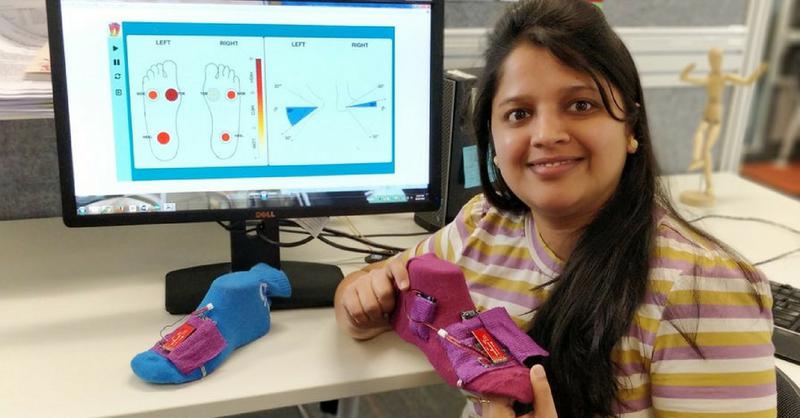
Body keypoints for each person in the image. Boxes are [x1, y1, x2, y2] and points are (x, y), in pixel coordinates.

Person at [334, 0, 776, 417]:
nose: (546, 134)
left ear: (631, 128)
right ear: (492, 141)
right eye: (519, 113)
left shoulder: (702, 291)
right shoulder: (482, 227)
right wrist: (359, 302)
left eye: (581, 105)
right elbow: (378, 282)